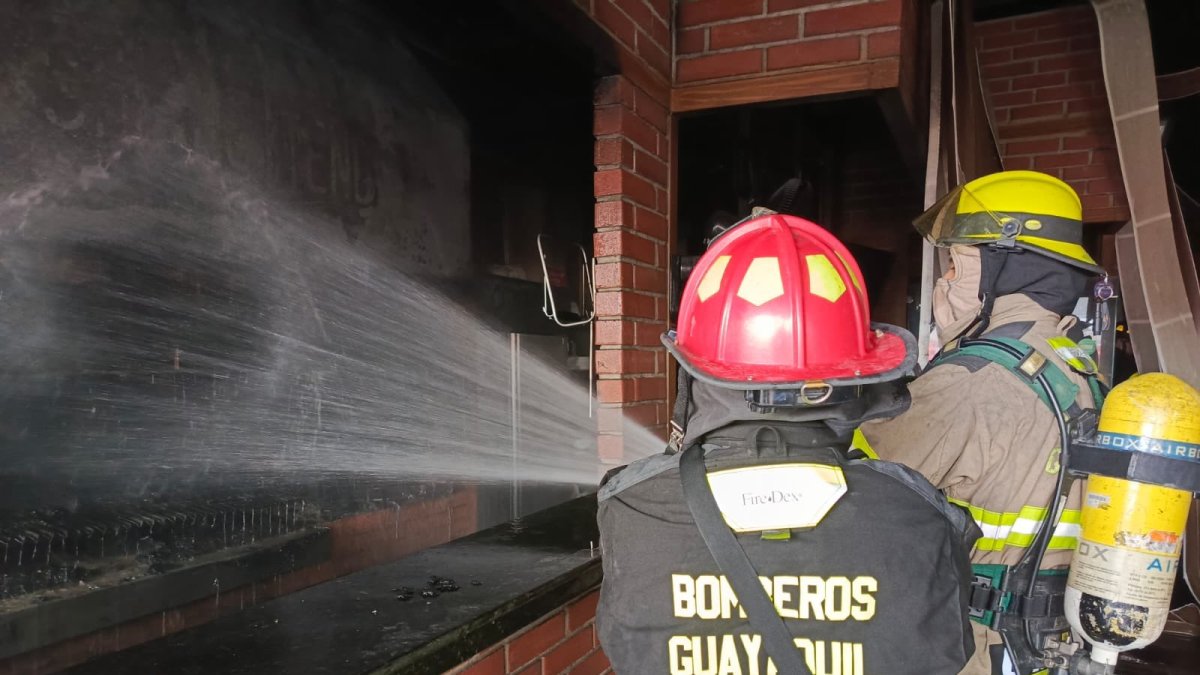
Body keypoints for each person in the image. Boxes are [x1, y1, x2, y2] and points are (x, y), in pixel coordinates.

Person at [596, 213, 980, 675]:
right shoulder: (917, 512)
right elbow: (948, 651)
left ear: (697, 374)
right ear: (853, 379)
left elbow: (624, 649)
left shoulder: (631, 506)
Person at [858, 170, 1108, 675]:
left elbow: (853, 500)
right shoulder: (1074, 362)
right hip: (1046, 641)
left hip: (972, 646)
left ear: (1006, 268)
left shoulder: (972, 381)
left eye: (957, 263)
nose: (945, 281)